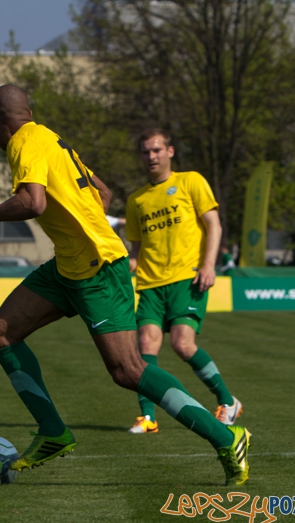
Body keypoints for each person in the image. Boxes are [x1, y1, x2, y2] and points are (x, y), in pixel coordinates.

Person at [0, 85, 250, 486]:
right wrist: (79, 225)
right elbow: (102, 193)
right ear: (30, 111)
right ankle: (53, 432)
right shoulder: (52, 140)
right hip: (70, 264)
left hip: (98, 268)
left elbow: (32, 202)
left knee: (128, 370)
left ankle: (228, 437)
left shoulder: (23, 142)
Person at [125, 128, 242, 435]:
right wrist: (124, 270)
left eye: (157, 150)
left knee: (182, 344)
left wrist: (208, 265)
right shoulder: (136, 200)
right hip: (150, 284)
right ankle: (147, 417)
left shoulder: (191, 181)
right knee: (145, 346)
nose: (151, 156)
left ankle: (228, 401)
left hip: (186, 278)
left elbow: (213, 225)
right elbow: (136, 251)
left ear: (170, 151)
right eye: (146, 151)